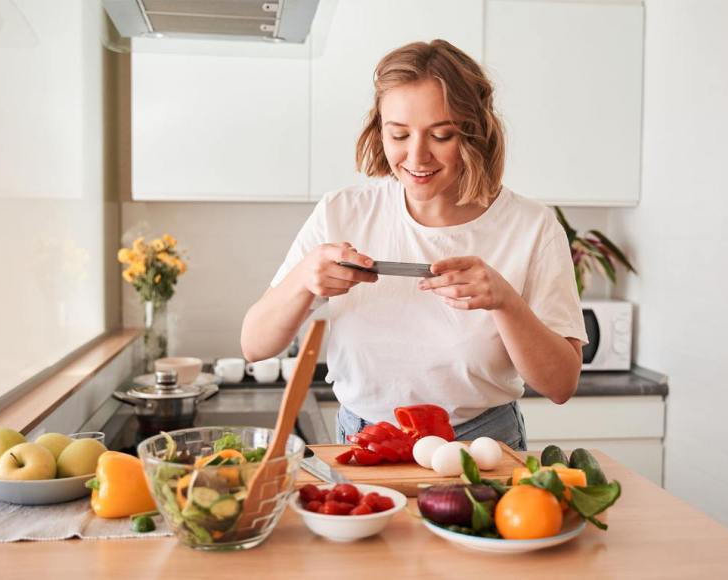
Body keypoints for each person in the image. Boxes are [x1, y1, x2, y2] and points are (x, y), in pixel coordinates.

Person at [241, 39, 587, 451]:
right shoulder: (342, 212)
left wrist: (505, 303)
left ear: (474, 133)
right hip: (363, 440)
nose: (417, 156)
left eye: (441, 135)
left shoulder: (532, 227)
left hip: (482, 446)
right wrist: (304, 279)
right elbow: (254, 346)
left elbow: (561, 384)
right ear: (379, 130)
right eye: (399, 134)